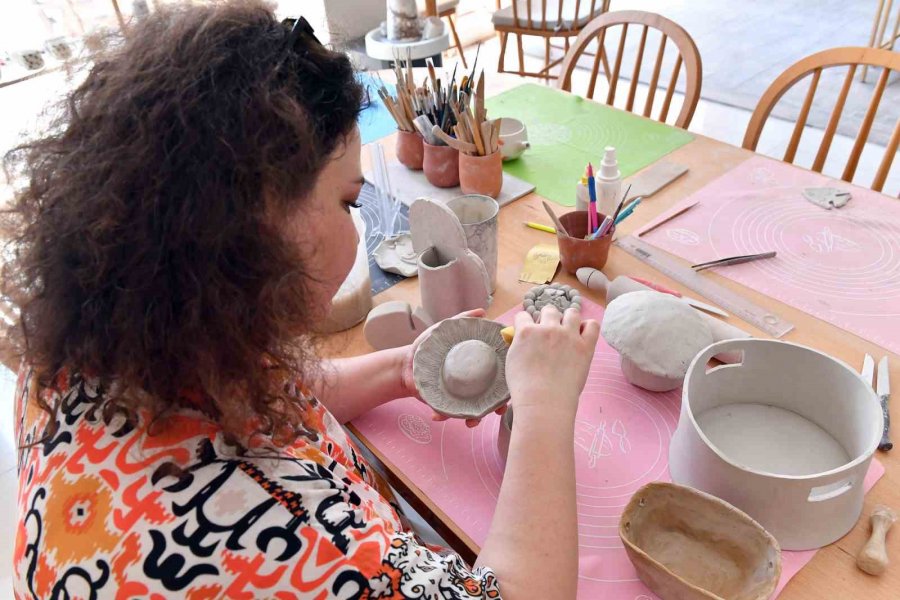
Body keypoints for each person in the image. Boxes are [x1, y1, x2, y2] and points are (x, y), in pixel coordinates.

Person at [3, 2, 599, 598]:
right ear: (255, 227)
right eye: (348, 201)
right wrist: (545, 410)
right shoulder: (298, 553)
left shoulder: (87, 355)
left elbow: (266, 397)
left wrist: (400, 369)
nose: (356, 226)